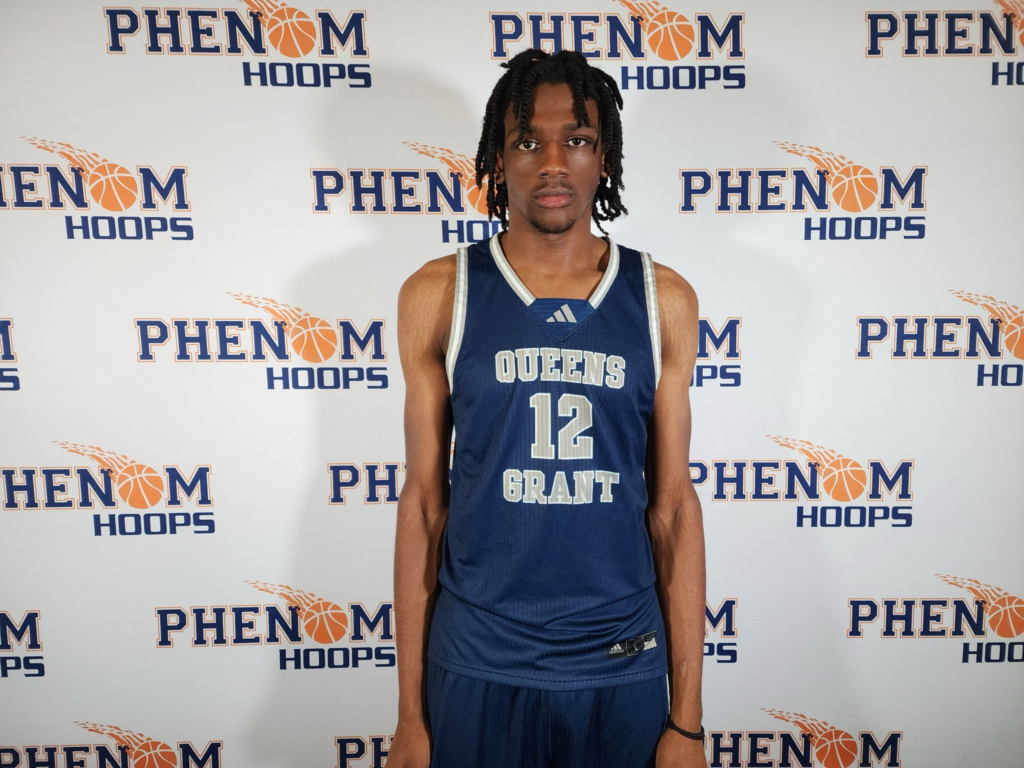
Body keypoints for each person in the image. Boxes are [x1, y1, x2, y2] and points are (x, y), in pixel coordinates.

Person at [391, 48, 707, 768]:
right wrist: (409, 714)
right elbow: (424, 506)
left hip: (620, 656)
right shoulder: (439, 293)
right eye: (529, 142)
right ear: (499, 161)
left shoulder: (663, 298)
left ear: (605, 159)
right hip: (477, 657)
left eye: (578, 140)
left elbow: (673, 509)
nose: (554, 163)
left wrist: (686, 720)